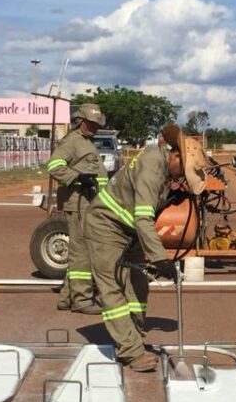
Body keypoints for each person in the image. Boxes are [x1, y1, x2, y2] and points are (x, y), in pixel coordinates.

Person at [82, 124, 208, 372]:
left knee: (138, 285)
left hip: (129, 232)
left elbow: (146, 208)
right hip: (105, 226)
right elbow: (142, 218)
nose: (180, 177)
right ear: (176, 155)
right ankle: (130, 352)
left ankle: (134, 337)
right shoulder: (152, 165)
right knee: (112, 289)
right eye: (181, 171)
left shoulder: (163, 169)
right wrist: (161, 259)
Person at [48, 103, 109, 315]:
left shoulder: (86, 142)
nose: (95, 128)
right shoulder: (73, 142)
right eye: (91, 124)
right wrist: (77, 178)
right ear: (81, 122)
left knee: (81, 252)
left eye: (97, 125)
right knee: (82, 253)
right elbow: (53, 166)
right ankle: (81, 301)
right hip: (79, 203)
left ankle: (66, 297)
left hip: (89, 203)